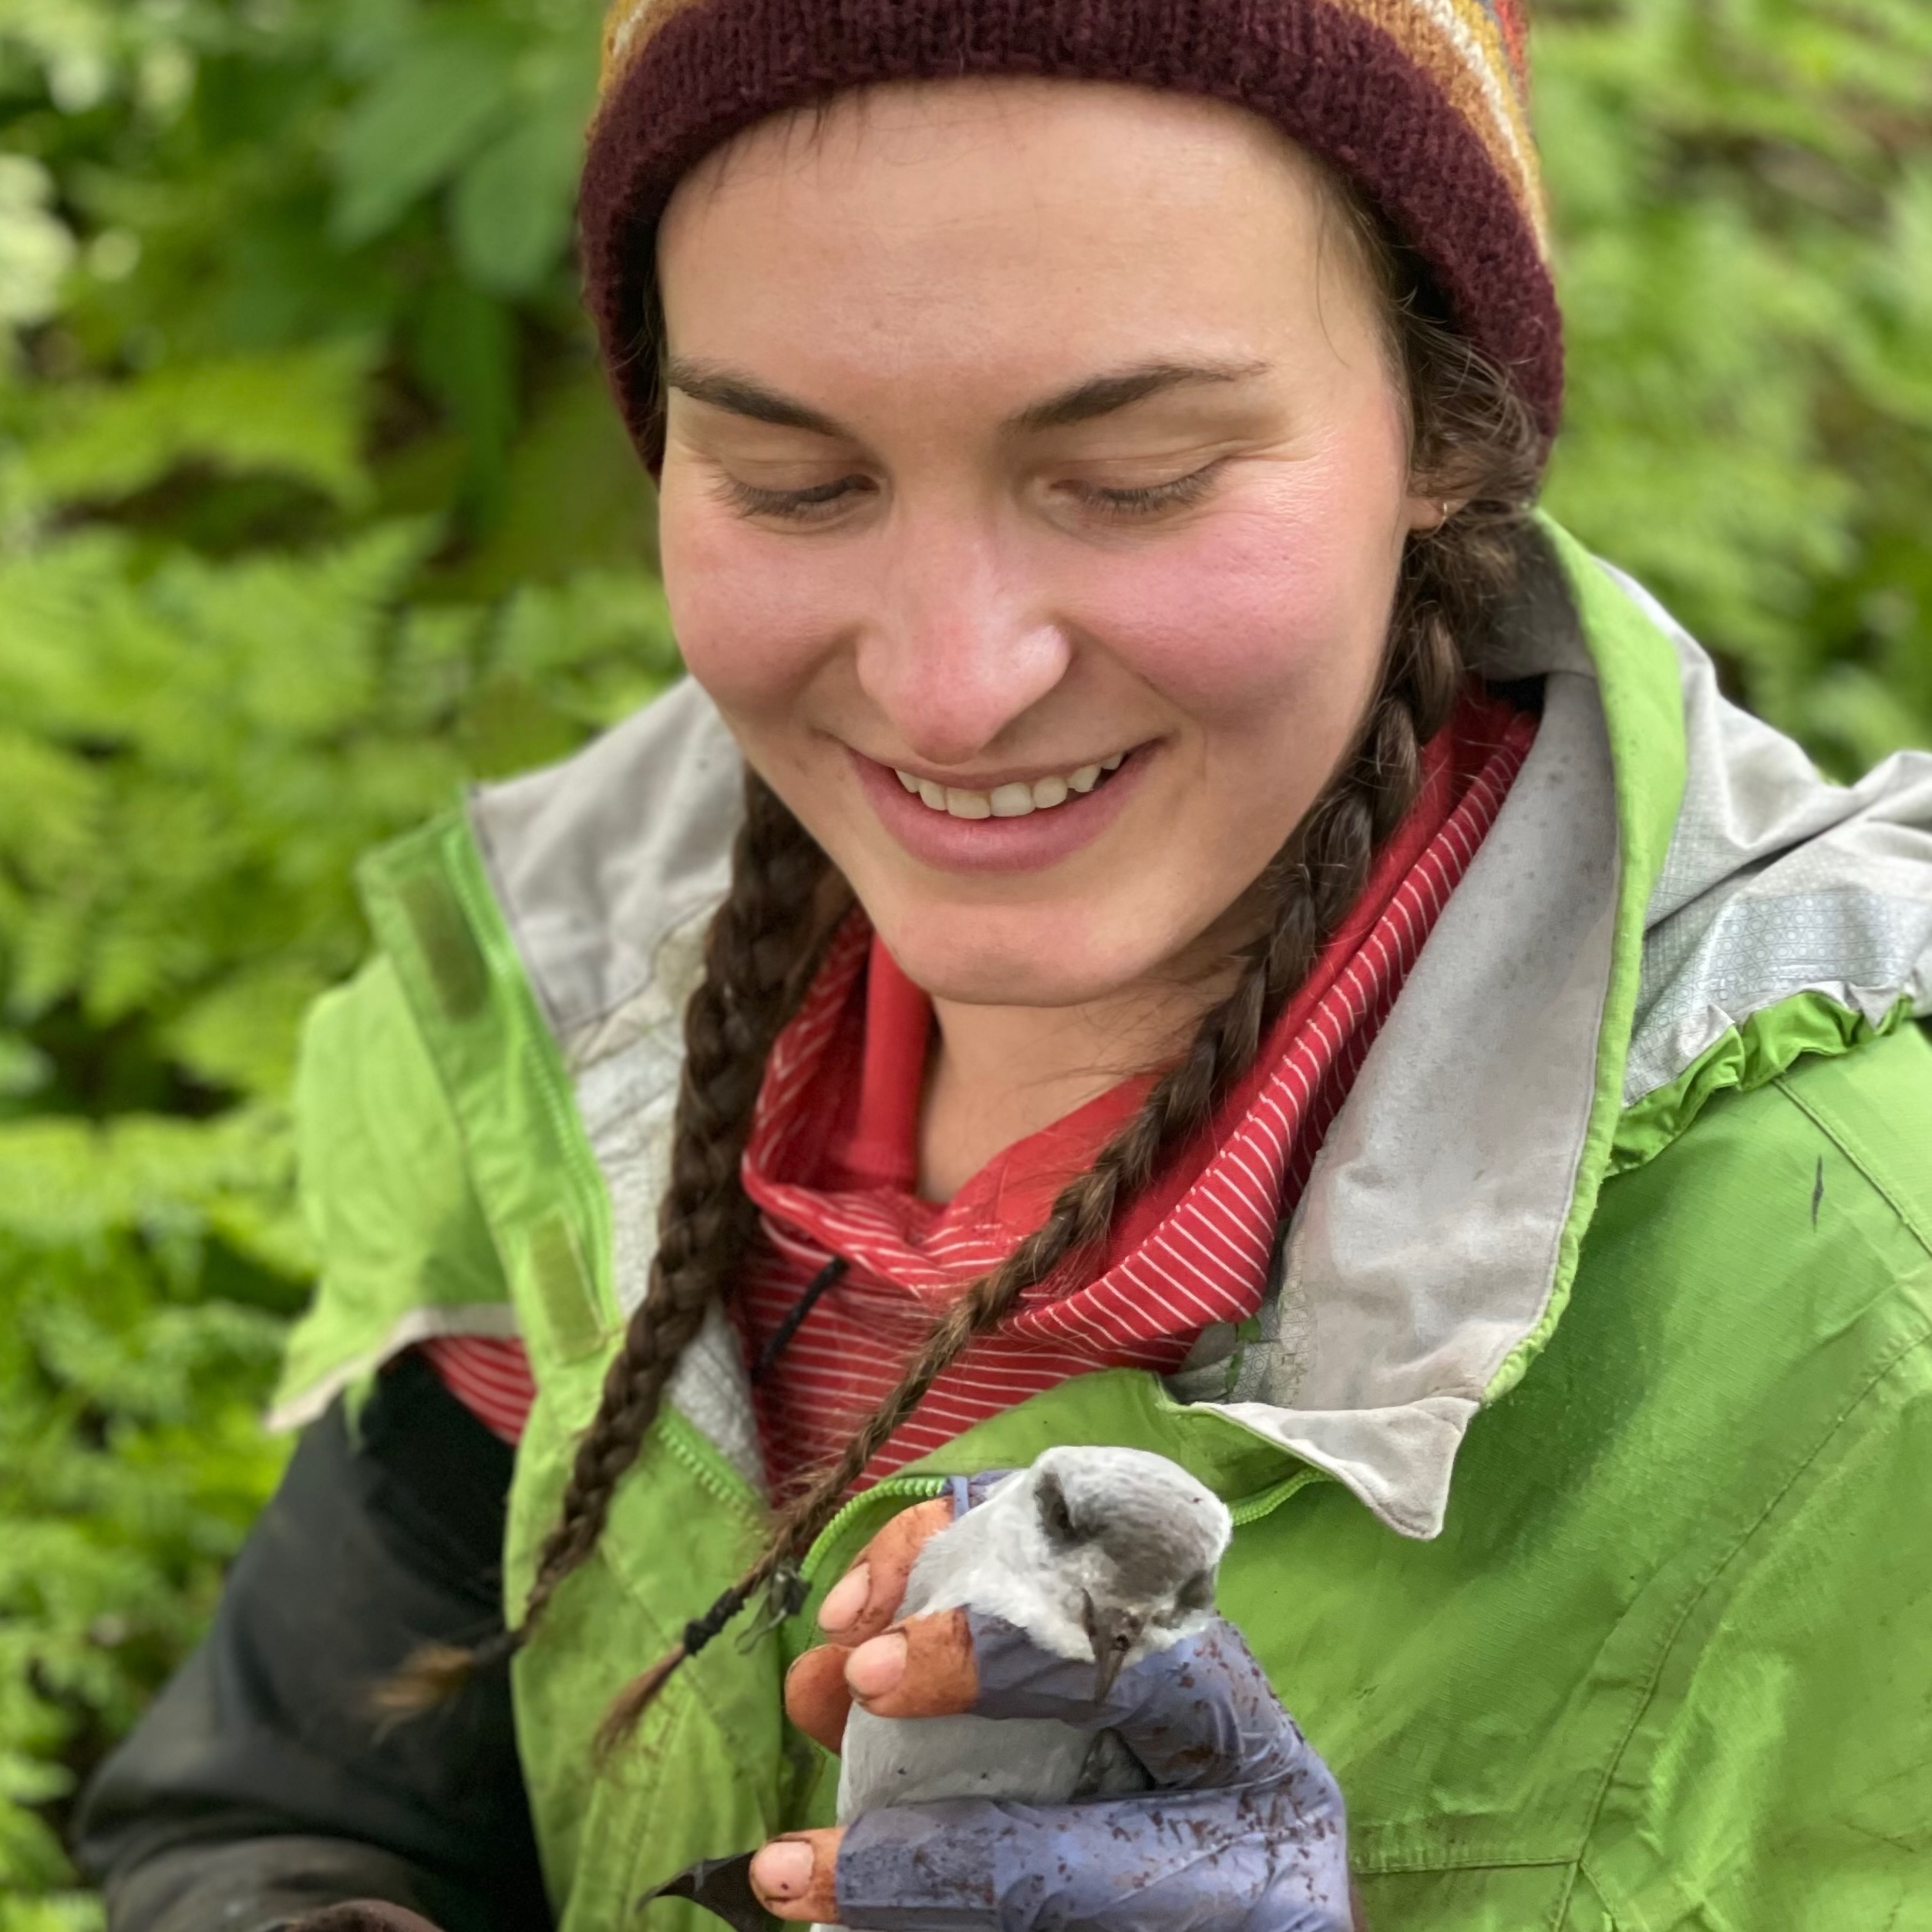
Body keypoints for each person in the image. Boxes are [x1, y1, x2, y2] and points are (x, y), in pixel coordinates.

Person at [72, 0, 1932, 1927]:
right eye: (793, 484)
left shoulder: (1866, 1298)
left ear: (1440, 431)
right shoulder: (574, 1016)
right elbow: (278, 1823)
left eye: (1131, 476)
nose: (949, 687)